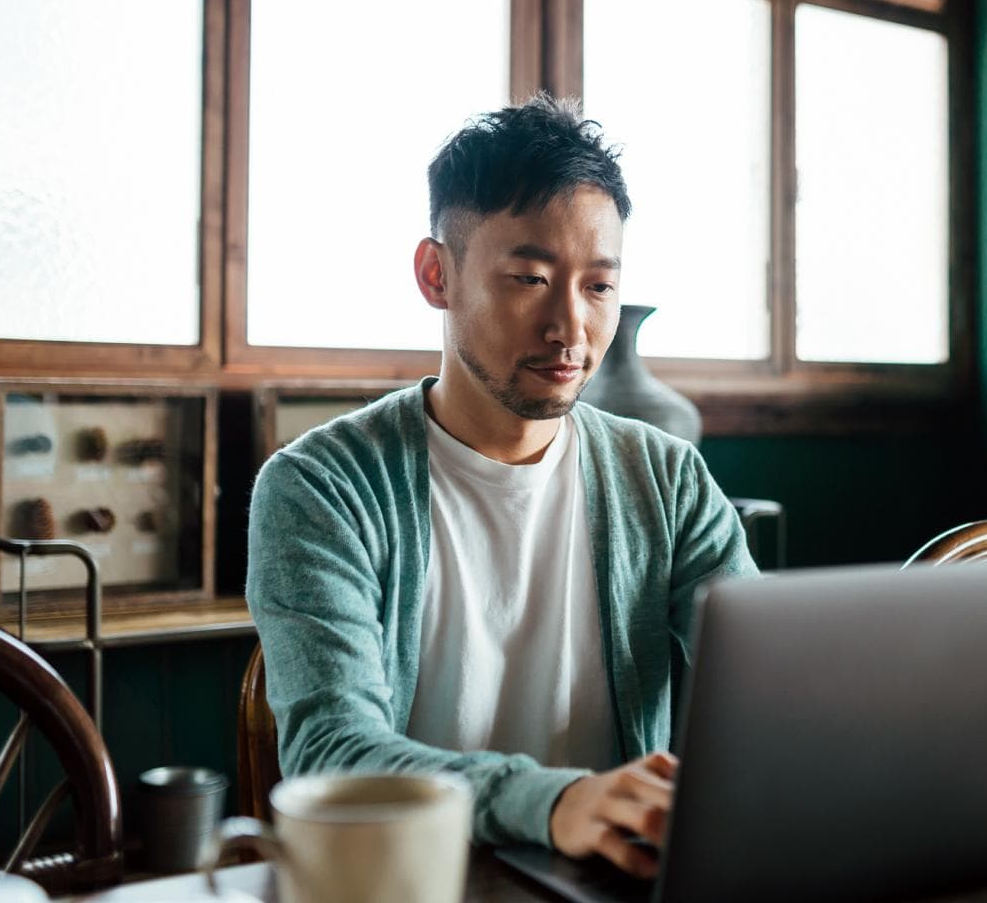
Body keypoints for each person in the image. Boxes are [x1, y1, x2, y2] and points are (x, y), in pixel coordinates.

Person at [246, 94, 757, 878]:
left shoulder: (665, 476)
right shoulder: (319, 488)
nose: (570, 328)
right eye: (529, 278)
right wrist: (554, 804)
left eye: (598, 287)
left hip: (611, 881)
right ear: (436, 274)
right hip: (416, 882)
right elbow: (332, 750)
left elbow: (766, 683)